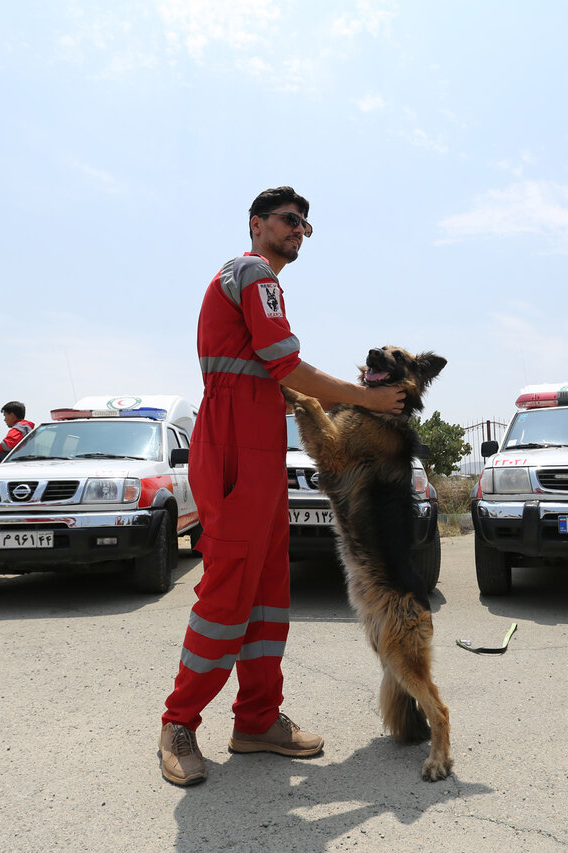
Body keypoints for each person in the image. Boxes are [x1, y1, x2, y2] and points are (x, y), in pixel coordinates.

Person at [158, 187, 406, 787]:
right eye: (289, 220)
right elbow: (286, 366)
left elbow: (281, 381)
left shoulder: (261, 284)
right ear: (256, 224)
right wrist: (369, 398)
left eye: (305, 225)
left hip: (262, 448)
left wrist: (353, 409)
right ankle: (178, 723)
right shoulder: (253, 274)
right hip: (234, 447)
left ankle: (257, 720)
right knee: (227, 594)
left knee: (269, 595)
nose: (298, 229)